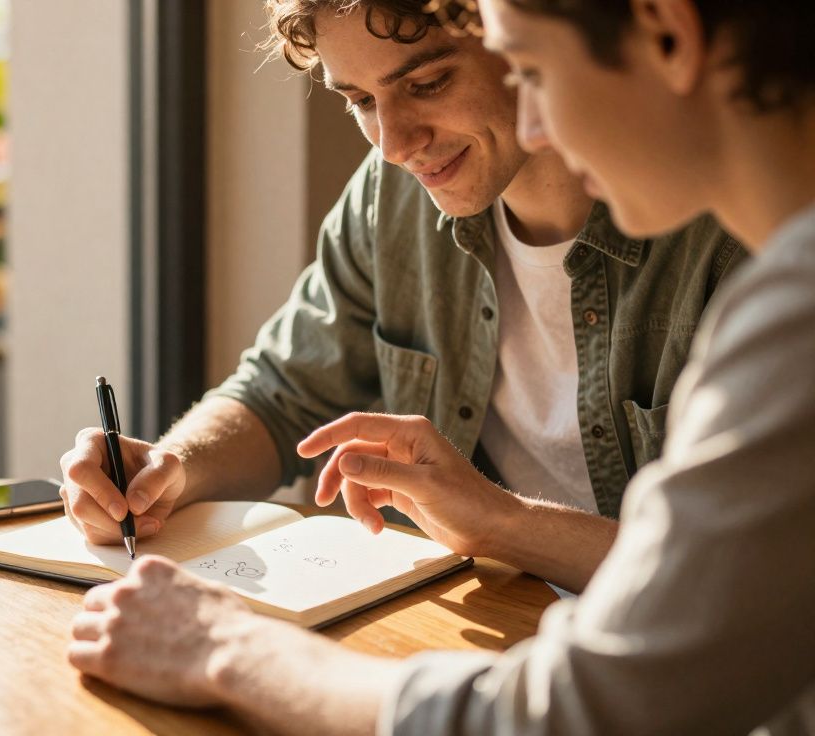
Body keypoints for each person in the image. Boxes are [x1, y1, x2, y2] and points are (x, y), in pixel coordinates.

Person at [67, 0, 815, 733]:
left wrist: (232, 651)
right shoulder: (395, 199)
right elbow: (282, 387)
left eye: (529, 69)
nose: (392, 144)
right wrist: (171, 464)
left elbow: (620, 687)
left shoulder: (782, 299)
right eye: (359, 99)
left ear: (665, 32)